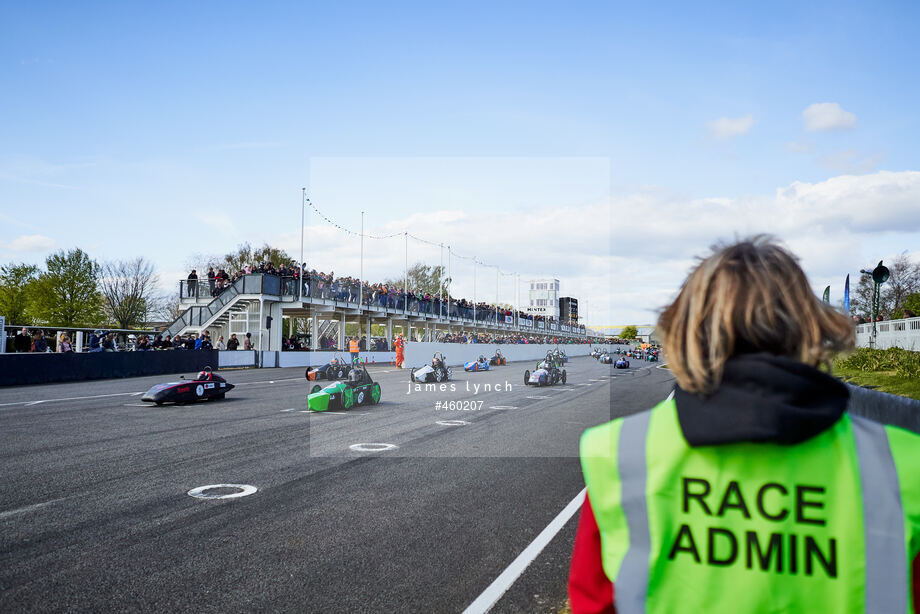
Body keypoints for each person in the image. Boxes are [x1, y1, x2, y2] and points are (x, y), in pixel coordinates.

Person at [568, 237, 920, 613]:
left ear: (687, 333)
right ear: (811, 328)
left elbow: (592, 602)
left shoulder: (621, 454)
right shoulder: (903, 467)